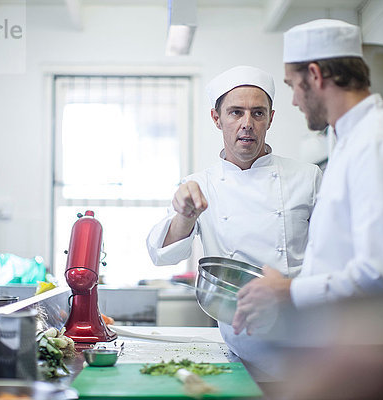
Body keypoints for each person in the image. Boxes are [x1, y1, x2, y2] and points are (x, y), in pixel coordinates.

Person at [232, 19, 383, 335]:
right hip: (351, 350)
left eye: (292, 86)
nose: (295, 101)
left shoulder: (381, 142)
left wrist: (286, 291)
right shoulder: (351, 143)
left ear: (314, 75)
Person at [146, 65, 323, 380]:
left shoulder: (307, 177)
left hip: (301, 340)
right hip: (237, 342)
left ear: (271, 118)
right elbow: (163, 255)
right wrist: (185, 215)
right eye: (235, 113)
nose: (247, 125)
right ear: (217, 119)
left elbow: (332, 257)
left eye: (257, 113)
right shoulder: (199, 183)